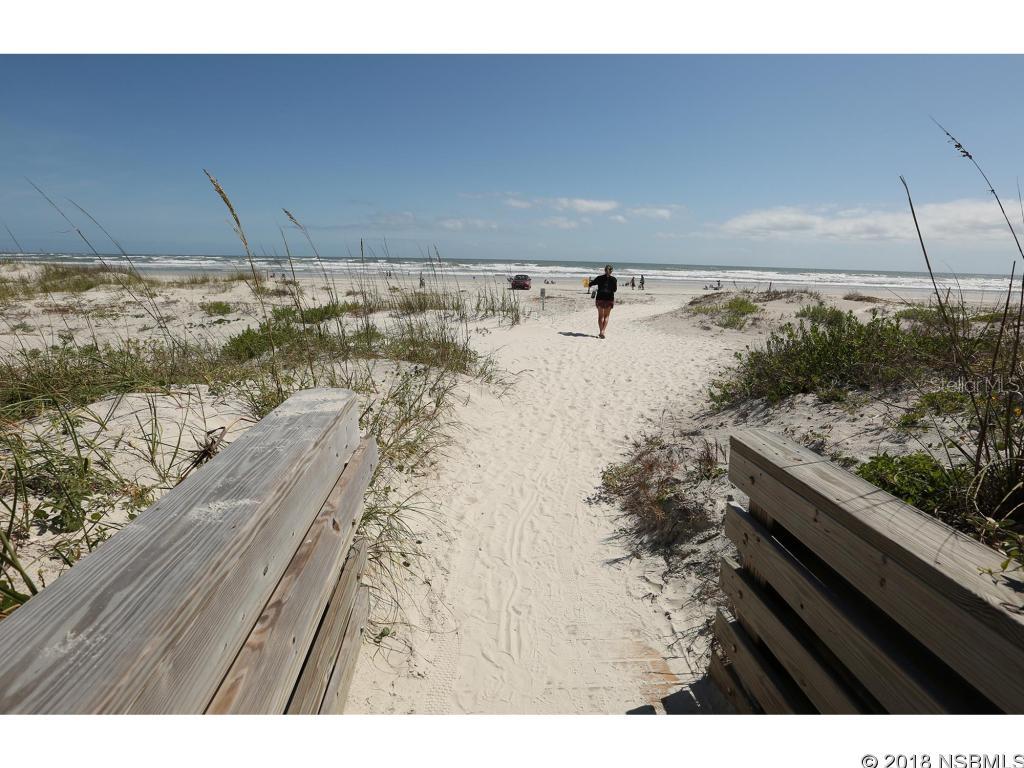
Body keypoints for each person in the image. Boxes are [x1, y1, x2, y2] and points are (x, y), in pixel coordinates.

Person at [588, 264, 617, 339]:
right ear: (612, 271)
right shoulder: (614, 279)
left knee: (600, 316)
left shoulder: (599, 278)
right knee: (606, 316)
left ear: (604, 270)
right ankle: (603, 331)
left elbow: (590, 284)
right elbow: (614, 290)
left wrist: (589, 283)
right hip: (609, 299)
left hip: (600, 298)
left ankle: (601, 331)